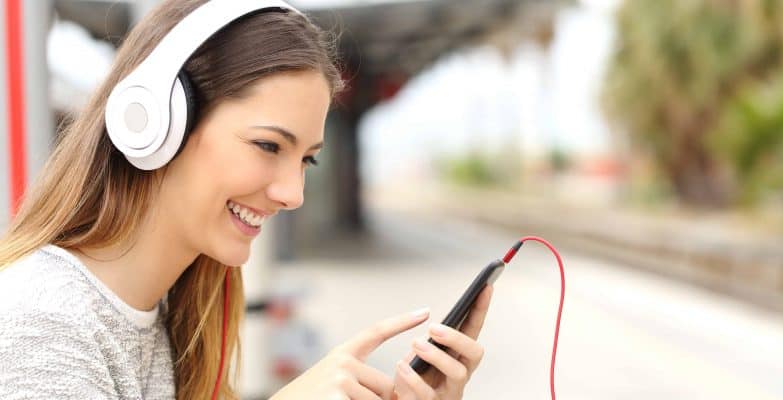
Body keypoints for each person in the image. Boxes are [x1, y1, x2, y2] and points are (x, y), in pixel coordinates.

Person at [0, 0, 494, 399]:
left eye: (306, 160)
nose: (292, 194)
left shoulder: (180, 312)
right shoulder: (42, 324)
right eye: (268, 146)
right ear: (156, 123)